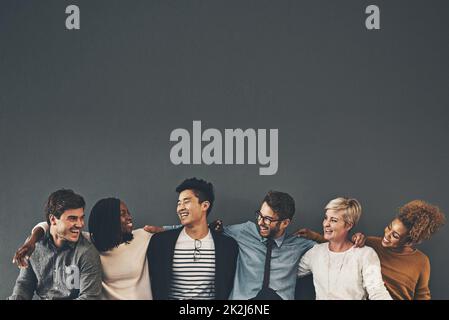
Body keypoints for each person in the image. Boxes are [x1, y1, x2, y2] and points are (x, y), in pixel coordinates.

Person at [150, 190, 318, 300]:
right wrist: (164, 230)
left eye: (268, 219)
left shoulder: (299, 245)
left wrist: (318, 236)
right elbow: (202, 229)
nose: (261, 222)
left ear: (285, 223)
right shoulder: (243, 231)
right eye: (259, 215)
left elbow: (335, 247)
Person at [298, 199, 446, 300]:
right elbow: (339, 247)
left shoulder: (421, 261)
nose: (386, 236)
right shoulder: (372, 243)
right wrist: (315, 236)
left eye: (394, 235)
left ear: (410, 241)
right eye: (388, 228)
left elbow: (422, 296)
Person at [13, 197, 158, 300]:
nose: (130, 217)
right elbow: (51, 227)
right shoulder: (90, 240)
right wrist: (32, 241)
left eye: (81, 218)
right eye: (122, 214)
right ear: (109, 219)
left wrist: (163, 229)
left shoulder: (142, 236)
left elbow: (177, 231)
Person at [147, 178, 239, 300]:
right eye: (179, 203)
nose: (180, 208)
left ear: (204, 205)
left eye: (186, 202)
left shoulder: (227, 246)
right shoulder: (160, 243)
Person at [8, 189, 102, 300]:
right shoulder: (35, 246)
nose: (80, 224)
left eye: (81, 218)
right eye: (72, 218)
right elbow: (24, 284)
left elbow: (90, 297)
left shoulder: (87, 253)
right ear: (53, 219)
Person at [297, 197, 392, 300]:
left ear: (348, 225)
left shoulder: (365, 254)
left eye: (333, 220)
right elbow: (288, 273)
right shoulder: (315, 252)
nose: (326, 224)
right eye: (326, 218)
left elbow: (377, 291)